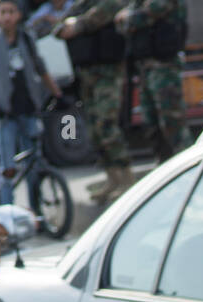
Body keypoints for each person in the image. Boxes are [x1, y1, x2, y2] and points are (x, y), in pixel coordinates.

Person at [0, 0, 62, 208]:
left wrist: (57, 94)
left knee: (34, 163)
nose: (7, 17)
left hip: (28, 110)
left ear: (19, 15)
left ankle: (36, 211)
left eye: (11, 12)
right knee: (8, 168)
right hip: (4, 114)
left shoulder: (27, 40)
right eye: (3, 12)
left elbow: (41, 69)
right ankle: (8, 214)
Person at [53, 0, 133, 204]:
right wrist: (69, 25)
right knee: (95, 129)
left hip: (108, 73)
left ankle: (127, 180)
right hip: (87, 74)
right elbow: (59, 28)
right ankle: (112, 178)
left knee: (106, 125)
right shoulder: (81, 5)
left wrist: (76, 25)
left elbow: (92, 19)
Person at [115, 0, 190, 164]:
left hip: (164, 68)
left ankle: (187, 167)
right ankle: (164, 169)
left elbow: (144, 15)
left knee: (172, 123)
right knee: (151, 124)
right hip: (145, 69)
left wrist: (129, 18)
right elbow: (121, 23)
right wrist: (129, 18)